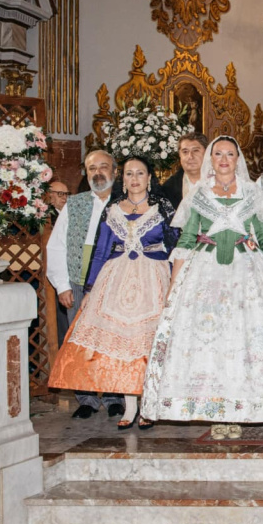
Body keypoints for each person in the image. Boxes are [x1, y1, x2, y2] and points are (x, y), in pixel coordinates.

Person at [141, 136, 263, 438]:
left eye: (230, 154)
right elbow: (186, 239)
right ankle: (215, 411)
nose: (224, 159)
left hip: (247, 275)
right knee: (210, 343)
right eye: (218, 154)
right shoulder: (199, 194)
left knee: (242, 340)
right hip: (205, 275)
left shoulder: (252, 192)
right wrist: (174, 285)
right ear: (211, 159)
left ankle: (242, 409)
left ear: (238, 159)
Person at [48, 157, 178, 430]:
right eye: (129, 174)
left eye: (140, 173)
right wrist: (90, 289)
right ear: (123, 179)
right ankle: (130, 407)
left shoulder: (163, 208)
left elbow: (176, 247)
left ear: (149, 178)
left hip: (154, 280)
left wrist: (175, 284)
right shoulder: (113, 209)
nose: (134, 179)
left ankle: (150, 406)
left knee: (149, 345)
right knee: (123, 347)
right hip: (116, 280)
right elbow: (100, 252)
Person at [45, 150, 124, 419]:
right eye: (92, 168)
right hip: (78, 281)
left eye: (104, 167)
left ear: (115, 171)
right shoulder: (74, 204)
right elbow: (56, 246)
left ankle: (114, 397)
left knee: (113, 340)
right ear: (86, 173)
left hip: (114, 282)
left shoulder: (125, 203)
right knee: (80, 341)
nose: (98, 173)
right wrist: (62, 286)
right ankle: (86, 398)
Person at [161, 133, 208, 209]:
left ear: (206, 153)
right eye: (185, 152)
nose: (190, 156)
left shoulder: (221, 181)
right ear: (180, 155)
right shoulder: (168, 188)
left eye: (195, 150)